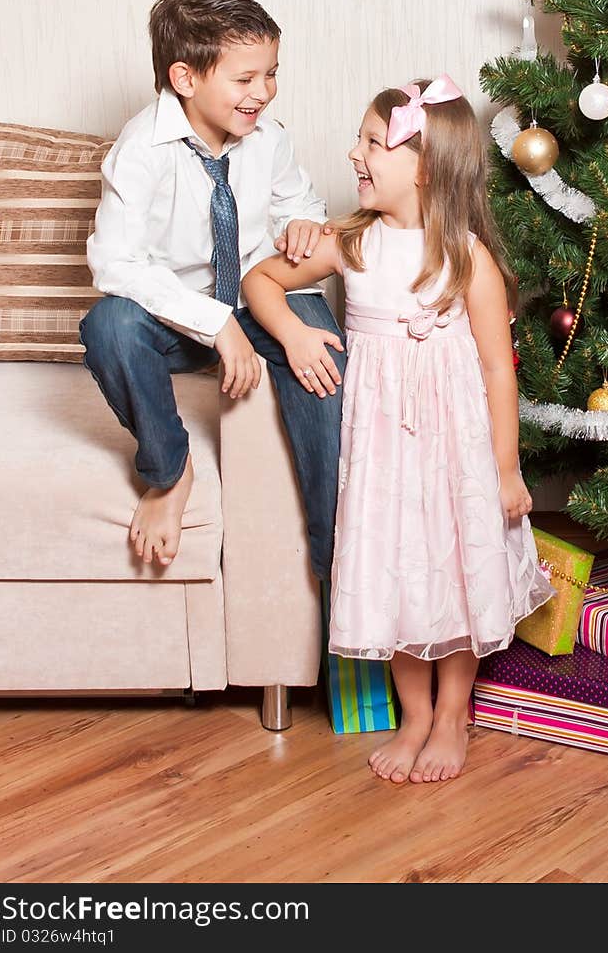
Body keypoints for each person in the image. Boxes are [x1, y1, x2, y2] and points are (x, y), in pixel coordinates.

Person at [242, 76, 552, 784]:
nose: (354, 154)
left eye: (373, 142)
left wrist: (506, 469)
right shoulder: (351, 243)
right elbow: (259, 283)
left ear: (425, 165)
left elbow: (499, 372)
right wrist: (292, 334)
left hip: (458, 453)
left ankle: (452, 714)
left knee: (456, 568)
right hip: (383, 454)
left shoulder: (468, 258)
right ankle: (414, 715)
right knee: (400, 575)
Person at [80, 0, 344, 575]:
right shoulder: (141, 150)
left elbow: (299, 202)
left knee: (324, 356)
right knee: (109, 326)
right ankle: (169, 471)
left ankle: (335, 564)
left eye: (271, 73)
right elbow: (114, 262)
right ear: (186, 79)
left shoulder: (269, 140)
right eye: (246, 79)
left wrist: (303, 222)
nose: (265, 92)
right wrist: (214, 322)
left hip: (257, 302)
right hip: (180, 318)